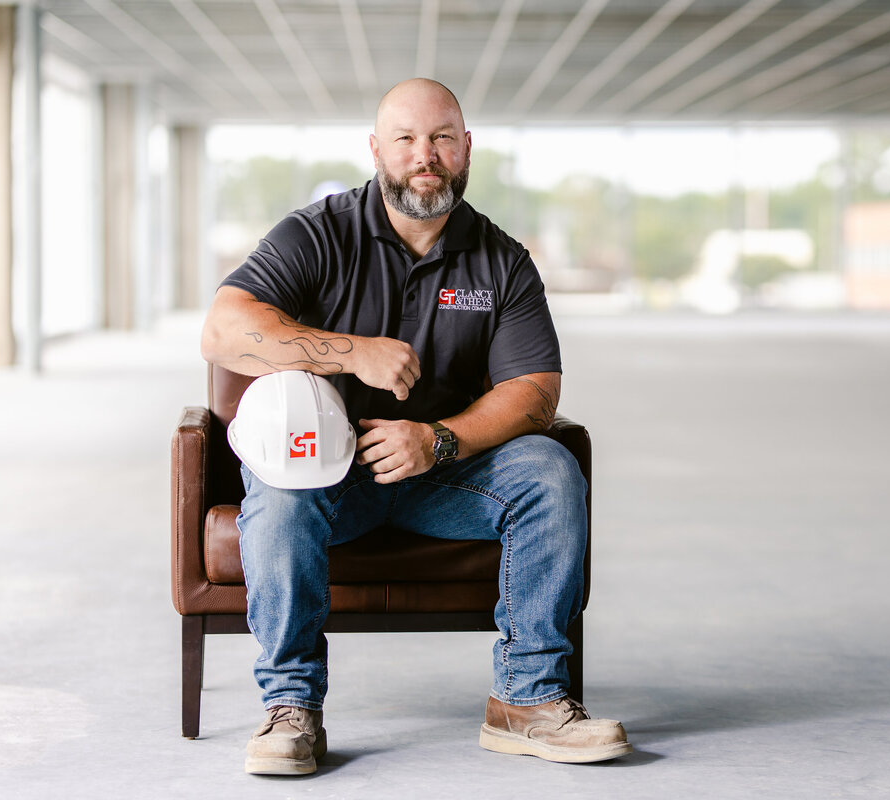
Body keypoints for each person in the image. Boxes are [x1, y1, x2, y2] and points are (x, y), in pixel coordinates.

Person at [200, 78, 631, 774]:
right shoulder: (316, 233)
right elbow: (223, 331)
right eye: (405, 138)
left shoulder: (502, 259)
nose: (423, 155)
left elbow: (535, 390)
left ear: (466, 149)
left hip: (445, 474)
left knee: (551, 469)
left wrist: (439, 440)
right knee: (278, 489)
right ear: (377, 150)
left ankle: (528, 701)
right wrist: (353, 353)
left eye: (441, 138)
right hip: (326, 473)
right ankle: (291, 709)